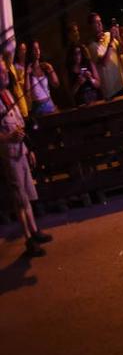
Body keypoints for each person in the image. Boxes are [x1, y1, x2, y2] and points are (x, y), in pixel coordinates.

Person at [1, 65, 52, 258]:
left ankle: (35, 230)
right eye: (1, 72)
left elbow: (19, 124)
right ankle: (28, 240)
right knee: (20, 199)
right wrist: (7, 137)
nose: (5, 74)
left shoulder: (8, 94)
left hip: (21, 150)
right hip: (8, 153)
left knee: (28, 193)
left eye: (5, 71)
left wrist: (28, 147)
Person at [86, 12, 123, 100]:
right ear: (91, 26)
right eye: (96, 22)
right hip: (109, 90)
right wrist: (110, 42)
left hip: (120, 84)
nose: (99, 24)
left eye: (100, 21)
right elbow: (104, 63)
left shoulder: (108, 35)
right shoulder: (92, 46)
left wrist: (118, 37)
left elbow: (121, 51)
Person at [24, 41, 58, 116]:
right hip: (38, 107)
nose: (37, 51)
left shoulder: (44, 67)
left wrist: (51, 69)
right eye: (34, 49)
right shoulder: (28, 70)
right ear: (30, 52)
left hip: (49, 103)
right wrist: (27, 74)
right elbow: (27, 93)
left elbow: (56, 84)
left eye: (38, 48)